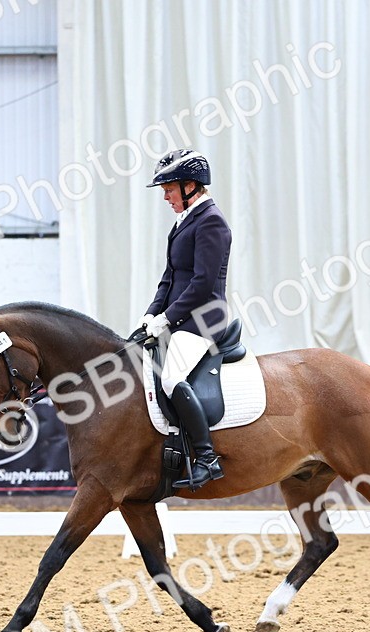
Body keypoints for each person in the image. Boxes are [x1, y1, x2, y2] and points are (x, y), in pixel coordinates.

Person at [138, 148, 232, 490]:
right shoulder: (184, 223)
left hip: (204, 319)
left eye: (169, 188)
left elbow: (203, 283)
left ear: (190, 185)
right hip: (179, 318)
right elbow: (170, 276)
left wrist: (167, 317)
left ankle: (207, 458)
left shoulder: (212, 222)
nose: (165, 196)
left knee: (170, 377)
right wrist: (151, 312)